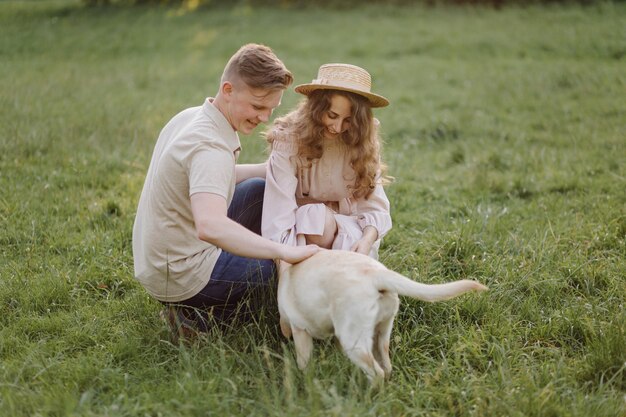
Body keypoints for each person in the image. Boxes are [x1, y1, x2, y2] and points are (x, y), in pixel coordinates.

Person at [132, 44, 319, 336]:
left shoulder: (193, 116)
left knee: (258, 189)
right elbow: (210, 226)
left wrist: (267, 169)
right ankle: (196, 319)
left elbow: (207, 179)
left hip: (158, 259)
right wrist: (283, 251)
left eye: (272, 109)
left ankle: (187, 307)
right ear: (228, 90)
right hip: (179, 274)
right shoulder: (210, 146)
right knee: (266, 271)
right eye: (258, 107)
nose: (265, 118)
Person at [262, 63, 392, 260]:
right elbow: (278, 215)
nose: (338, 127)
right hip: (301, 228)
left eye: (348, 120)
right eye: (332, 115)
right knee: (315, 218)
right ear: (316, 108)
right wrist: (284, 263)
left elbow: (375, 207)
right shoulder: (289, 139)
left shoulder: (362, 142)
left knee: (350, 261)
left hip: (349, 226)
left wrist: (366, 240)